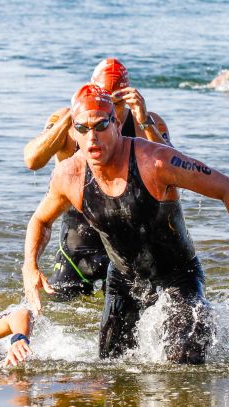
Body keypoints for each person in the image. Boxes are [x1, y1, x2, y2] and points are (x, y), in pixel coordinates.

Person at [22, 84, 229, 363]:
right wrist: (30, 265)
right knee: (112, 369)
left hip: (178, 277)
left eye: (101, 125)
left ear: (116, 123)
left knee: (184, 367)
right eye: (83, 128)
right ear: (73, 132)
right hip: (124, 281)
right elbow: (40, 220)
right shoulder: (70, 175)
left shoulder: (156, 161)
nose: (93, 138)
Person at [22, 58, 174, 301]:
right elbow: (32, 160)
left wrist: (145, 122)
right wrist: (73, 115)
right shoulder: (71, 122)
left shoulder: (145, 121)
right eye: (105, 99)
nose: (110, 111)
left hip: (131, 242)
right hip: (80, 239)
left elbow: (175, 175)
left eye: (118, 102)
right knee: (68, 316)